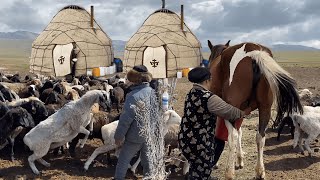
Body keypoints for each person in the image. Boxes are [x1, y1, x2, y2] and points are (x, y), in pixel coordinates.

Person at [178, 67, 251, 180]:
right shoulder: (209, 98)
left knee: (197, 163)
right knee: (202, 164)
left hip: (185, 139)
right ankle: (201, 176)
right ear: (207, 80)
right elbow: (229, 112)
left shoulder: (191, 93)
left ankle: (202, 174)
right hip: (199, 144)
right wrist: (243, 112)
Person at [114, 65, 155, 180]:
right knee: (148, 163)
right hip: (149, 134)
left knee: (123, 160)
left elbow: (125, 120)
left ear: (135, 79)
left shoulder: (133, 96)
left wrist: (119, 136)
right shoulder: (153, 92)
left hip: (134, 136)